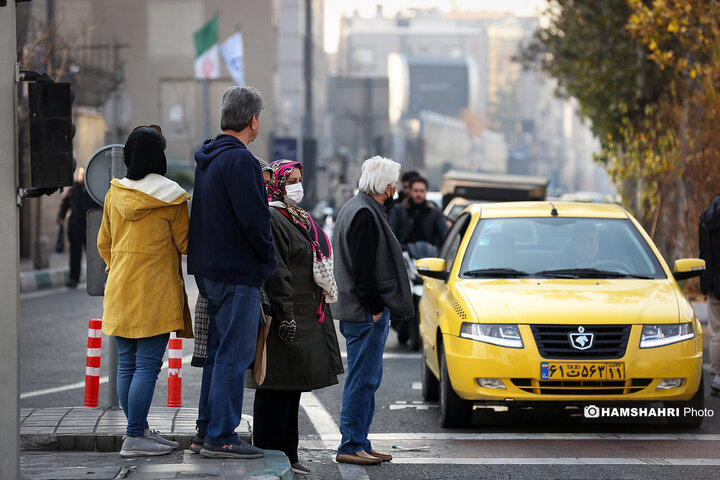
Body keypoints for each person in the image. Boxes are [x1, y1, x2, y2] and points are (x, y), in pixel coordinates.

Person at [187, 86, 277, 459]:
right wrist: (268, 260)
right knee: (233, 356)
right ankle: (222, 437)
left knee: (216, 353)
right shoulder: (242, 161)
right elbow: (255, 222)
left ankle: (206, 429)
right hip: (237, 271)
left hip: (209, 269)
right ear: (253, 120)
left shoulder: (208, 157)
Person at [97, 125, 192, 457]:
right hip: (155, 292)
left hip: (120, 288)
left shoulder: (114, 193)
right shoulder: (172, 197)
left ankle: (139, 430)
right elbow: (185, 244)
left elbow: (103, 244)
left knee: (127, 364)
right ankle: (135, 436)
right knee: (148, 365)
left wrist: (120, 268)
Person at [247, 159, 344, 476]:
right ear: (277, 184)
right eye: (290, 180)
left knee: (293, 387)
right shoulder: (274, 216)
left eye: (299, 179)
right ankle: (269, 451)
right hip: (286, 313)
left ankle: (289, 452)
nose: (296, 186)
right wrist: (286, 314)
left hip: (304, 311)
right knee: (274, 386)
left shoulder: (296, 216)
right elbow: (279, 271)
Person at [332, 156, 413, 465]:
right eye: (394, 183)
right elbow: (364, 267)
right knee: (363, 379)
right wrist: (376, 307)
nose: (396, 188)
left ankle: (360, 442)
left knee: (366, 378)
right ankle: (351, 444)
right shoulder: (365, 213)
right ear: (388, 185)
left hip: (361, 310)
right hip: (364, 312)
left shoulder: (359, 207)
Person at [57, 167, 98, 287]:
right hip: (75, 228)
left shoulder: (93, 191)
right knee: (75, 255)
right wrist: (61, 217)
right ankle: (73, 279)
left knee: (93, 256)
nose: (82, 176)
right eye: (81, 174)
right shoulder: (72, 191)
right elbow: (64, 206)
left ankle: (95, 280)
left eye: (84, 174)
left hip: (90, 229)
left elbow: (99, 207)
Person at [389, 175, 448, 248]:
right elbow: (390, 235)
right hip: (403, 253)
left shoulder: (434, 211)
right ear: (410, 191)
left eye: (422, 191)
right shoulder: (398, 210)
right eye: (415, 191)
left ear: (426, 191)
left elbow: (444, 236)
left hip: (429, 255)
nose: (419, 194)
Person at [699, 195, 720, 395]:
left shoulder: (707, 217)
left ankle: (716, 376)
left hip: (714, 282)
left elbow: (703, 253)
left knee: (715, 332)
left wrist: (705, 283)